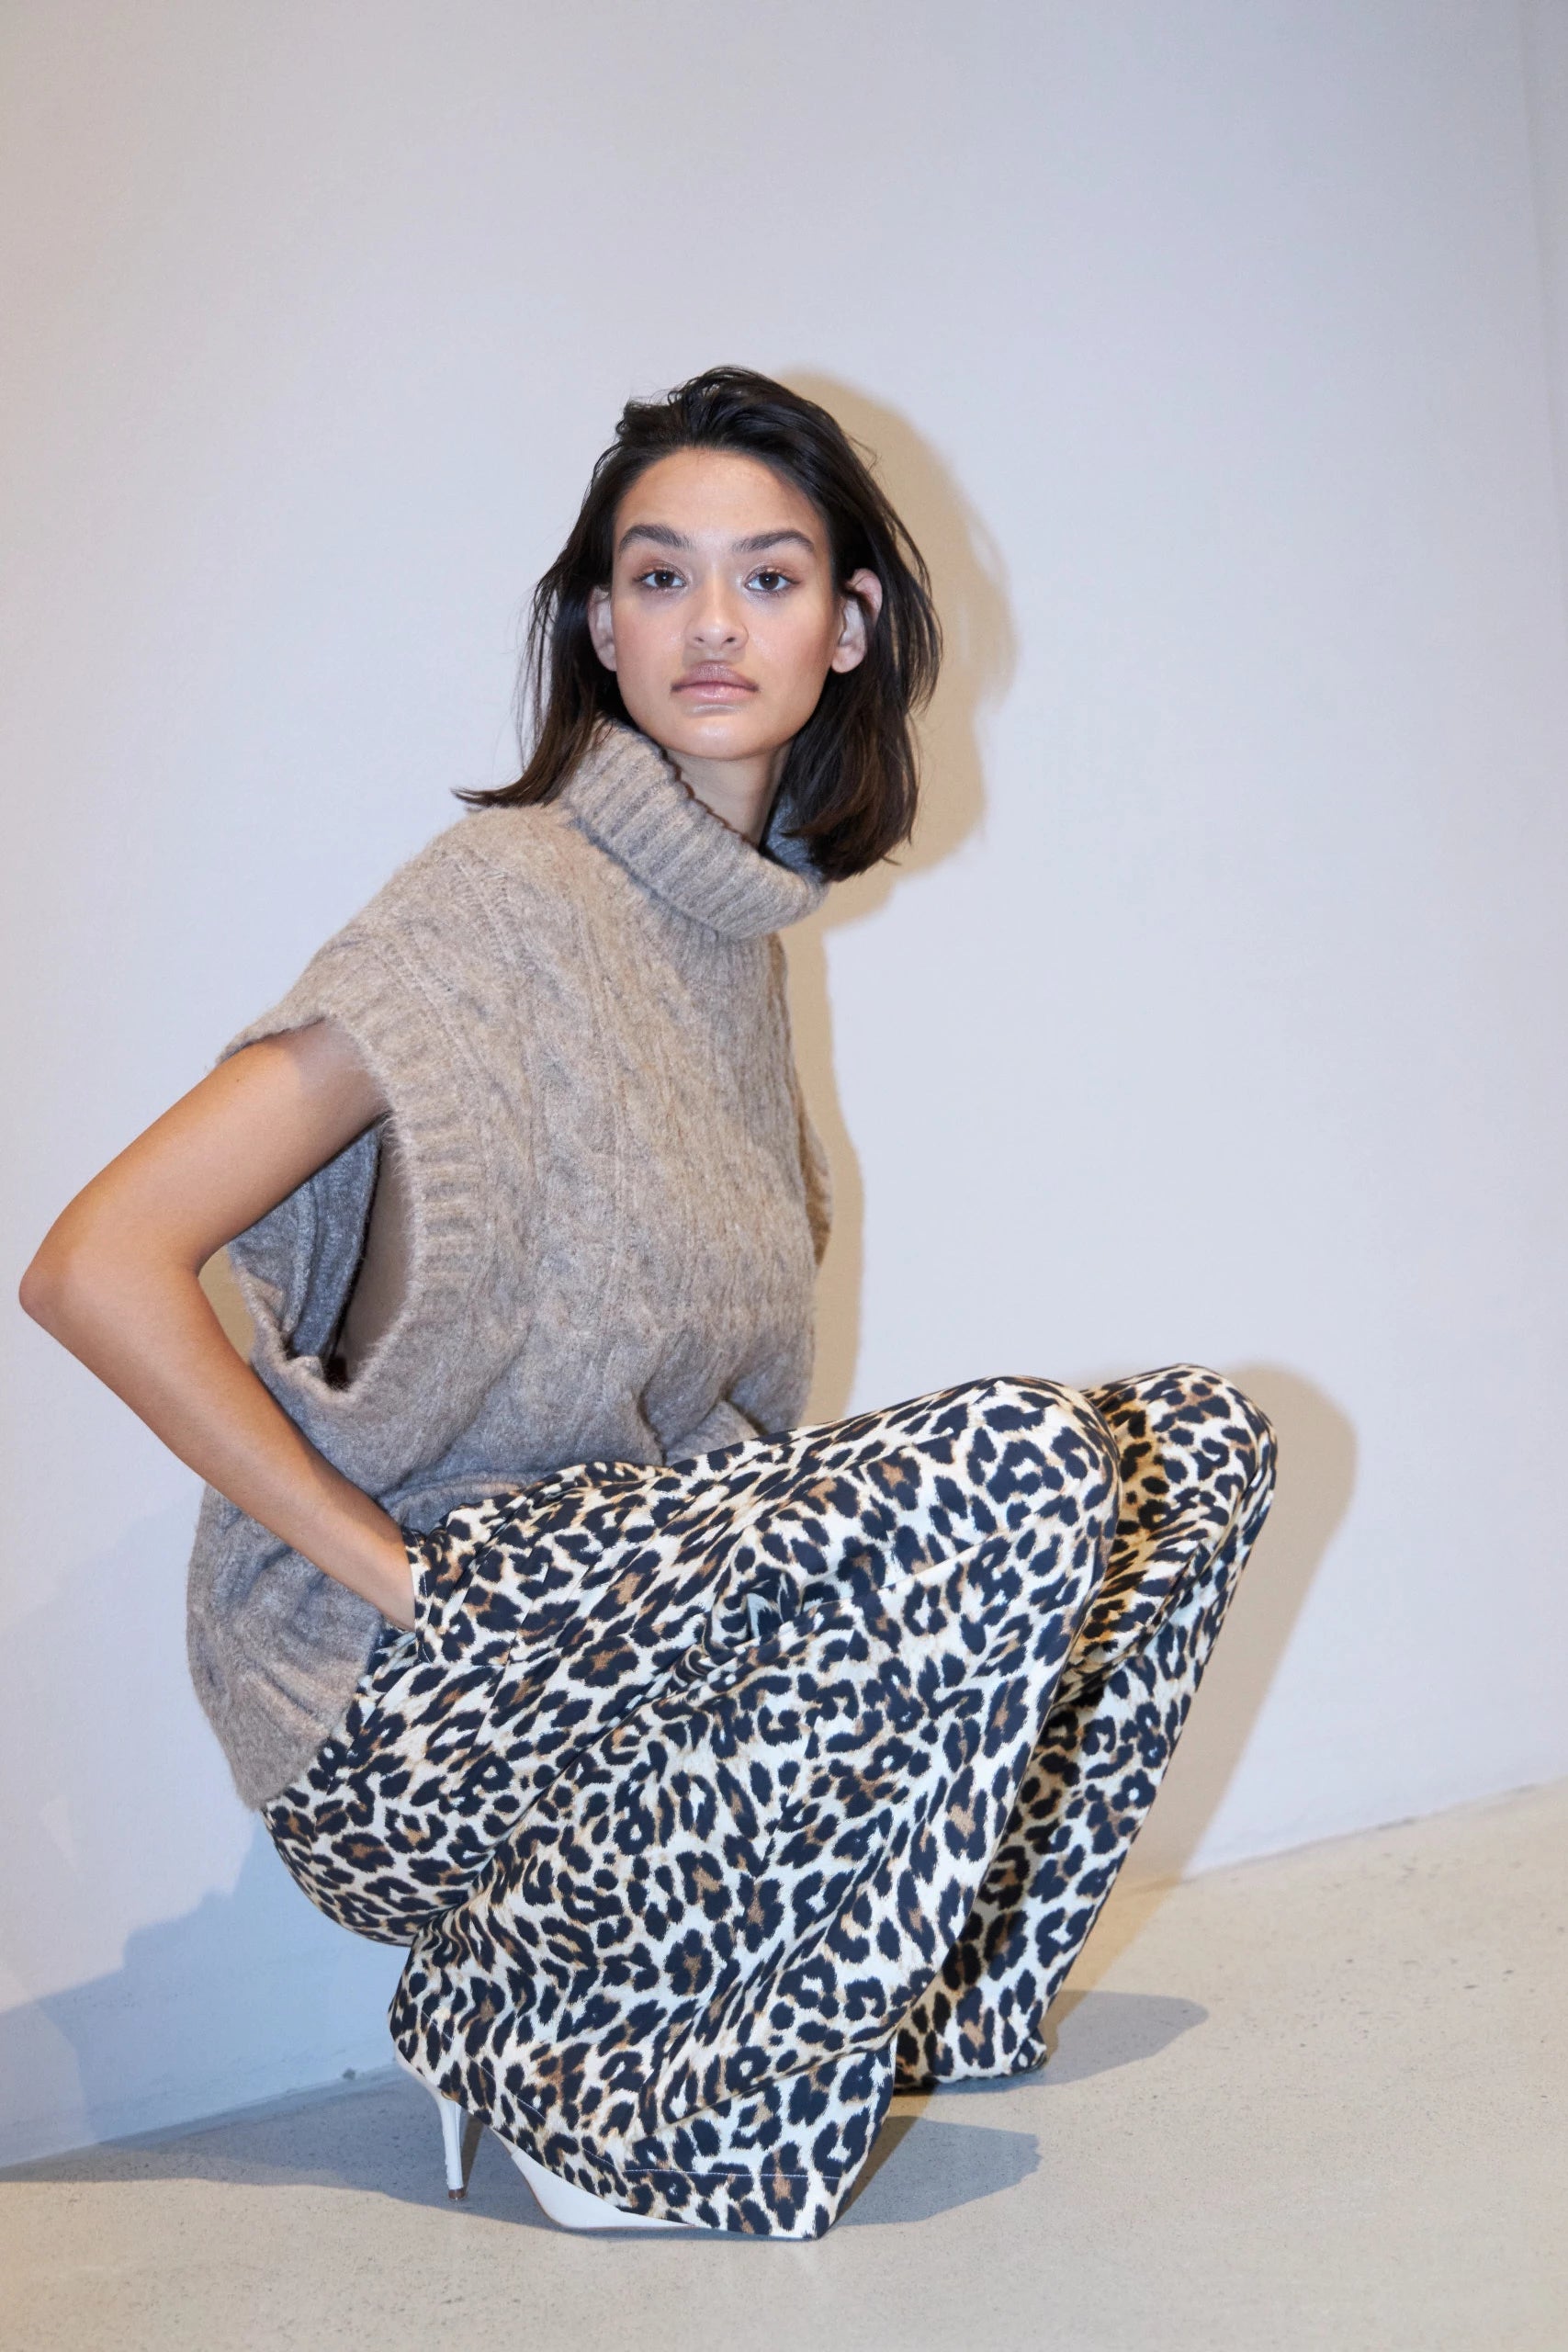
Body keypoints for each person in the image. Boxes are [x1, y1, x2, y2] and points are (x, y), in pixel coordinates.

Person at [20, 367, 1275, 2240]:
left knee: (1194, 1447)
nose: (710, 623)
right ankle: (556, 2049)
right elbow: (92, 1260)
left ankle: (891, 2004)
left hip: (607, 1612)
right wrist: (393, 1577)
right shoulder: (500, 897)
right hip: (411, 1685)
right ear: (599, 626)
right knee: (1017, 1461)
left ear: (848, 627)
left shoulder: (737, 935)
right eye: (659, 574)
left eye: (769, 578)